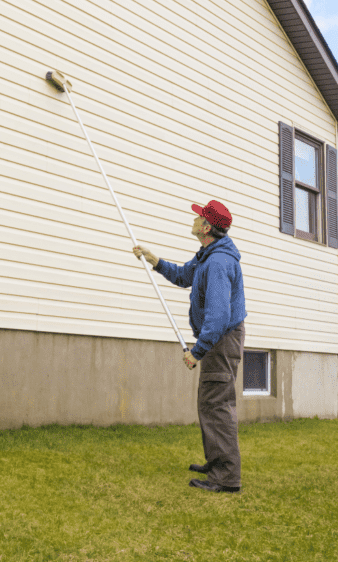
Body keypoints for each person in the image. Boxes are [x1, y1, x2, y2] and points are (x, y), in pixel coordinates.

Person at [133, 199, 247, 493]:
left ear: (207, 227)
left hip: (221, 341)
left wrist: (198, 351)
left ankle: (226, 477)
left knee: (217, 405)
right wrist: (154, 261)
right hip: (218, 339)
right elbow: (185, 276)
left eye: (199, 218)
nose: (194, 220)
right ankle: (217, 461)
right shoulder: (208, 255)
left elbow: (219, 315)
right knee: (210, 402)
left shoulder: (219, 262)